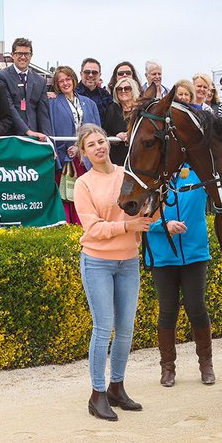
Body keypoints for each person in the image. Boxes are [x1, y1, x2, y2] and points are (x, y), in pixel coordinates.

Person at [73, 123, 155, 421]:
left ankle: (116, 388)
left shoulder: (126, 175)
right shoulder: (84, 184)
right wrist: (127, 226)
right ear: (83, 152)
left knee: (126, 329)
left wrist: (155, 208)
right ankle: (97, 394)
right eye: (91, 144)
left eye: (101, 141)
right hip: (97, 261)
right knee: (103, 327)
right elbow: (92, 229)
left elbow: (146, 212)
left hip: (128, 261)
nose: (98, 147)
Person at [145, 85, 214, 387]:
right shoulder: (153, 175)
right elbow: (143, 218)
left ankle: (206, 365)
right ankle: (167, 367)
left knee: (197, 308)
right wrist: (165, 226)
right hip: (162, 252)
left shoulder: (199, 169)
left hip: (196, 250)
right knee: (168, 311)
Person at [49, 66, 101, 226]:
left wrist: (80, 147)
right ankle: (67, 227)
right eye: (61, 81)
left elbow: (97, 130)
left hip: (86, 158)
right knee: (67, 194)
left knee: (86, 194)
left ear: (74, 79)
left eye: (68, 79)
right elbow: (50, 128)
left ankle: (88, 225)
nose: (65, 83)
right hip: (65, 158)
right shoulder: (52, 103)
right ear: (57, 84)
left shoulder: (89, 103)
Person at [0, 37, 49, 140]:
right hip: (10, 137)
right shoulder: (0, 77)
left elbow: (43, 114)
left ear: (31, 55)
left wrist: (49, 141)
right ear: (12, 55)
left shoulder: (40, 81)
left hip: (34, 138)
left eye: (26, 54)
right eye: (19, 53)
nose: (23, 57)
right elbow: (10, 108)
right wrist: (27, 131)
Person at [103, 75, 139, 166]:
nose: (123, 91)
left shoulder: (141, 109)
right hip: (117, 157)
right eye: (119, 89)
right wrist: (116, 137)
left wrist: (130, 134)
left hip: (137, 157)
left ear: (133, 90)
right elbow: (105, 132)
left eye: (127, 88)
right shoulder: (112, 109)